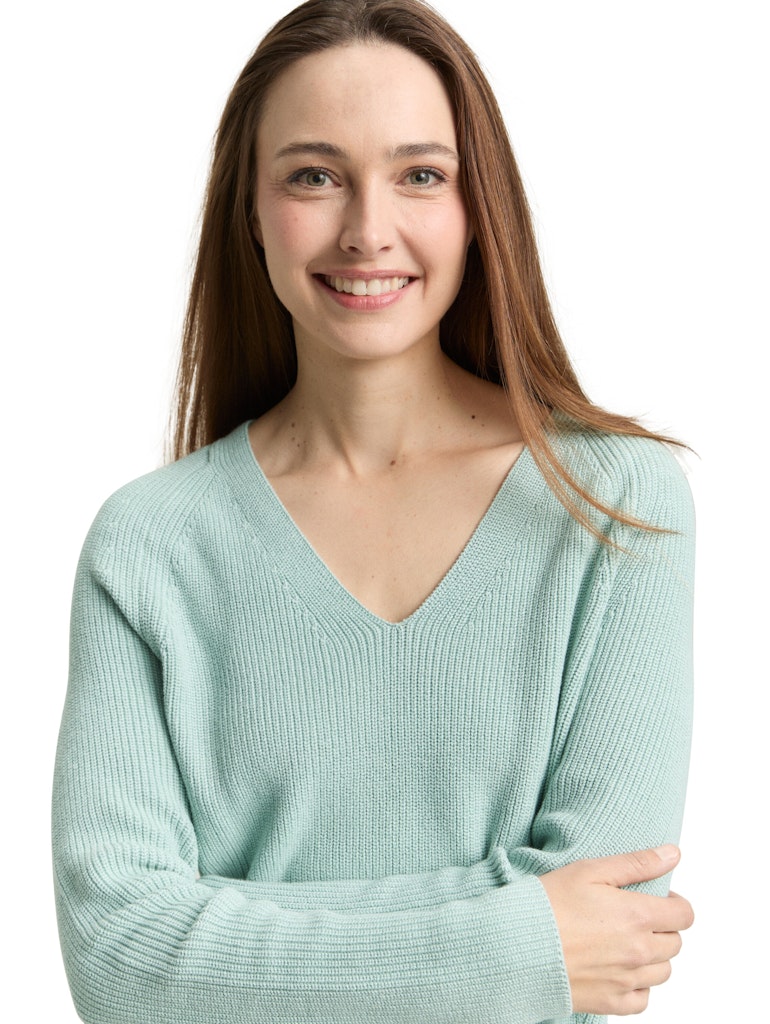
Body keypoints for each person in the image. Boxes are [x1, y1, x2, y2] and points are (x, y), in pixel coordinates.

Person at [52, 1, 695, 1022]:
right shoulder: (149, 545)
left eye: (419, 175)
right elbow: (120, 962)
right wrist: (520, 939)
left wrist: (225, 930)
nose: (365, 230)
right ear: (248, 211)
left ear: (478, 206)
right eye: (313, 176)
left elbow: (615, 922)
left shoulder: (613, 504)